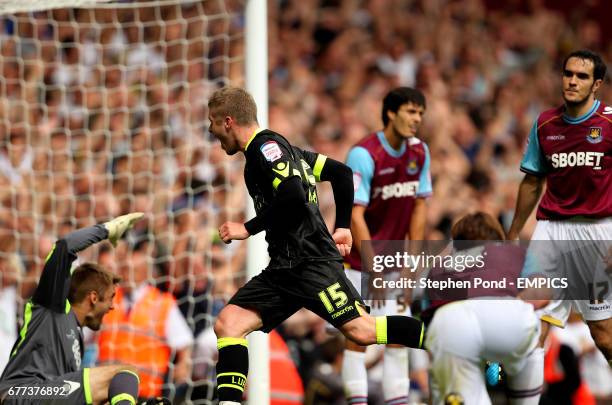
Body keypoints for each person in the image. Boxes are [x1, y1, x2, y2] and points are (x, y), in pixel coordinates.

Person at [207, 87, 426, 405]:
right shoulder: (288, 152)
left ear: (227, 121)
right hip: (284, 269)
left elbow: (294, 195)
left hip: (310, 263)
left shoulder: (264, 149)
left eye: (212, 123)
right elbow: (340, 173)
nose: (211, 131)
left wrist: (247, 228)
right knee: (230, 323)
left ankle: (442, 336)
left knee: (363, 331)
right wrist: (342, 227)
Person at [507, 49, 611, 367]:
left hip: (598, 231)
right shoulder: (545, 123)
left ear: (596, 84)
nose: (573, 81)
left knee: (603, 333)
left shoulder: (609, 122)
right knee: (531, 325)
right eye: (568, 74)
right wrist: (511, 234)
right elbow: (532, 182)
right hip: (550, 230)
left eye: (582, 76)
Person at [0, 213, 153, 405]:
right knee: (124, 373)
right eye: (110, 298)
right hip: (20, 392)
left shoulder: (77, 340)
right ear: (93, 297)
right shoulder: (54, 306)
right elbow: (64, 247)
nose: (113, 306)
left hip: (47, 394)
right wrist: (106, 229)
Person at [342, 87, 432, 405]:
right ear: (391, 113)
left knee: (398, 339)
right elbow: (354, 215)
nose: (417, 119)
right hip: (358, 264)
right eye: (410, 111)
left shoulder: (419, 152)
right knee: (358, 338)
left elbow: (420, 207)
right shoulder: (363, 155)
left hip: (396, 265)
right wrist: (373, 267)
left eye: (420, 113)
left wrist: (412, 264)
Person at [424, 212, 541, 405]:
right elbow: (542, 293)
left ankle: (487, 376)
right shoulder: (516, 253)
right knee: (538, 333)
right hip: (508, 321)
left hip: (455, 324)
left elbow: (433, 320)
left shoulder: (440, 266)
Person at [97, 238, 194, 400]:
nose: (126, 274)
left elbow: (184, 343)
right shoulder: (108, 298)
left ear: (145, 272)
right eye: (124, 269)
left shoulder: (163, 303)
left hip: (144, 391)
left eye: (132, 270)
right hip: (106, 389)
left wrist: (183, 364)